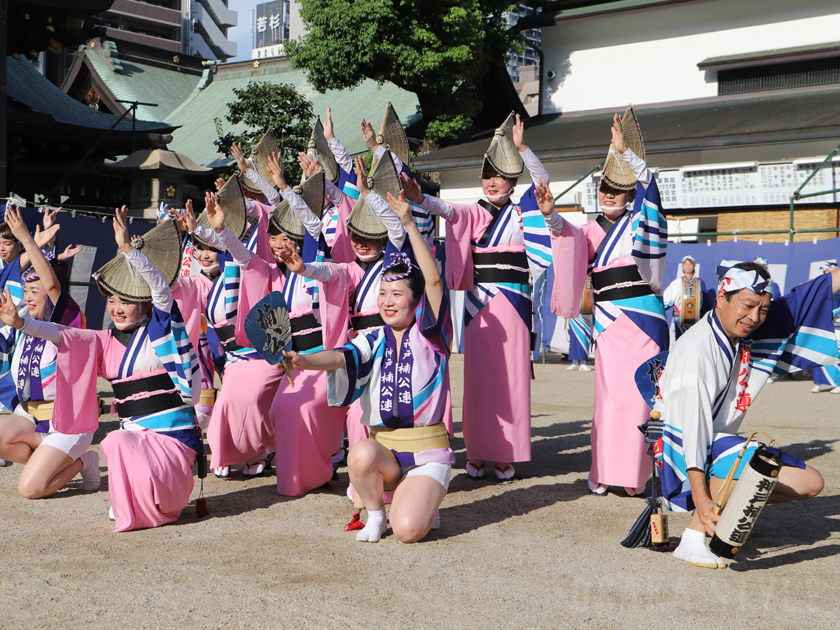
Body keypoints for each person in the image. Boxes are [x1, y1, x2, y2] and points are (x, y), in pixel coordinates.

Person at [0, 207, 202, 532]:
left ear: (144, 304)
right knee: (119, 441)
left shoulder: (162, 330)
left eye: (126, 301)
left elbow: (162, 293)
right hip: (132, 443)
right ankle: (130, 499)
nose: (117, 309)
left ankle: (141, 500)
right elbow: (63, 334)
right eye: (112, 301)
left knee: (118, 442)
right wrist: (22, 323)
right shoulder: (104, 340)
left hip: (171, 443)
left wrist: (127, 251)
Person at [284, 189, 453, 543]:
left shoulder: (431, 334)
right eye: (383, 294)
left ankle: (427, 497)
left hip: (427, 451)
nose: (388, 302)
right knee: (359, 452)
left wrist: (408, 222)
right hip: (387, 451)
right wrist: (302, 360)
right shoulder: (375, 337)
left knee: (407, 532)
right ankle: (376, 514)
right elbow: (340, 356)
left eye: (397, 294)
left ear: (415, 300)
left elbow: (434, 280)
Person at [656, 260, 840, 568]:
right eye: (748, 305)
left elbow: (806, 298)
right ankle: (692, 537)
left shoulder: (738, 326)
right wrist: (701, 500)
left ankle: (722, 512)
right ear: (721, 298)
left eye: (763, 309)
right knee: (750, 459)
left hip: (713, 442)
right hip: (680, 447)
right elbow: (693, 431)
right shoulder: (697, 352)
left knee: (810, 483)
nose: (754, 317)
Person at [403, 113, 551, 481]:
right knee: (480, 380)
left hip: (515, 302)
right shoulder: (473, 212)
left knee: (511, 378)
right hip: (479, 303)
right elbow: (448, 210)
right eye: (486, 176)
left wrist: (524, 149)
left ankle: (505, 453)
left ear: (513, 180)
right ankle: (480, 451)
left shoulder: (524, 212)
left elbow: (544, 185)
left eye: (499, 176)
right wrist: (423, 199)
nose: (492, 182)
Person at [542, 110, 668, 496]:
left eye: (616, 190)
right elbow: (566, 237)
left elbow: (653, 190)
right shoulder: (590, 229)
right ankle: (604, 471)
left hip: (643, 318)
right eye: (603, 189)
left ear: (630, 194)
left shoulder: (641, 221)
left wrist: (626, 154)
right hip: (609, 321)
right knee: (609, 399)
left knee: (640, 398)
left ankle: (636, 476)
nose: (608, 195)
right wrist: (550, 215)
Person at [0, 206, 93, 497]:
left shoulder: (69, 321)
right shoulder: (23, 322)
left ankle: (81, 461)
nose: (28, 297)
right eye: (26, 292)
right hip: (31, 418)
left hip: (65, 422)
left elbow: (51, 283)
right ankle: (50, 460)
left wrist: (28, 239)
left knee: (30, 489)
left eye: (35, 292)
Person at [663, 255, 711, 341]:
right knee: (680, 341)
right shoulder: (677, 282)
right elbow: (667, 300)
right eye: (685, 264)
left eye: (690, 264)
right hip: (680, 318)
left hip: (696, 318)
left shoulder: (699, 282)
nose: (688, 266)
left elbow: (705, 303)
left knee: (694, 341)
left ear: (694, 266)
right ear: (682, 266)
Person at [811, 260, 840, 393]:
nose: (826, 272)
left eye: (828, 270)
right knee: (817, 352)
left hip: (837, 324)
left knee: (835, 352)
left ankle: (838, 382)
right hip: (821, 323)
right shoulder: (821, 285)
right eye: (825, 270)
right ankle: (818, 382)